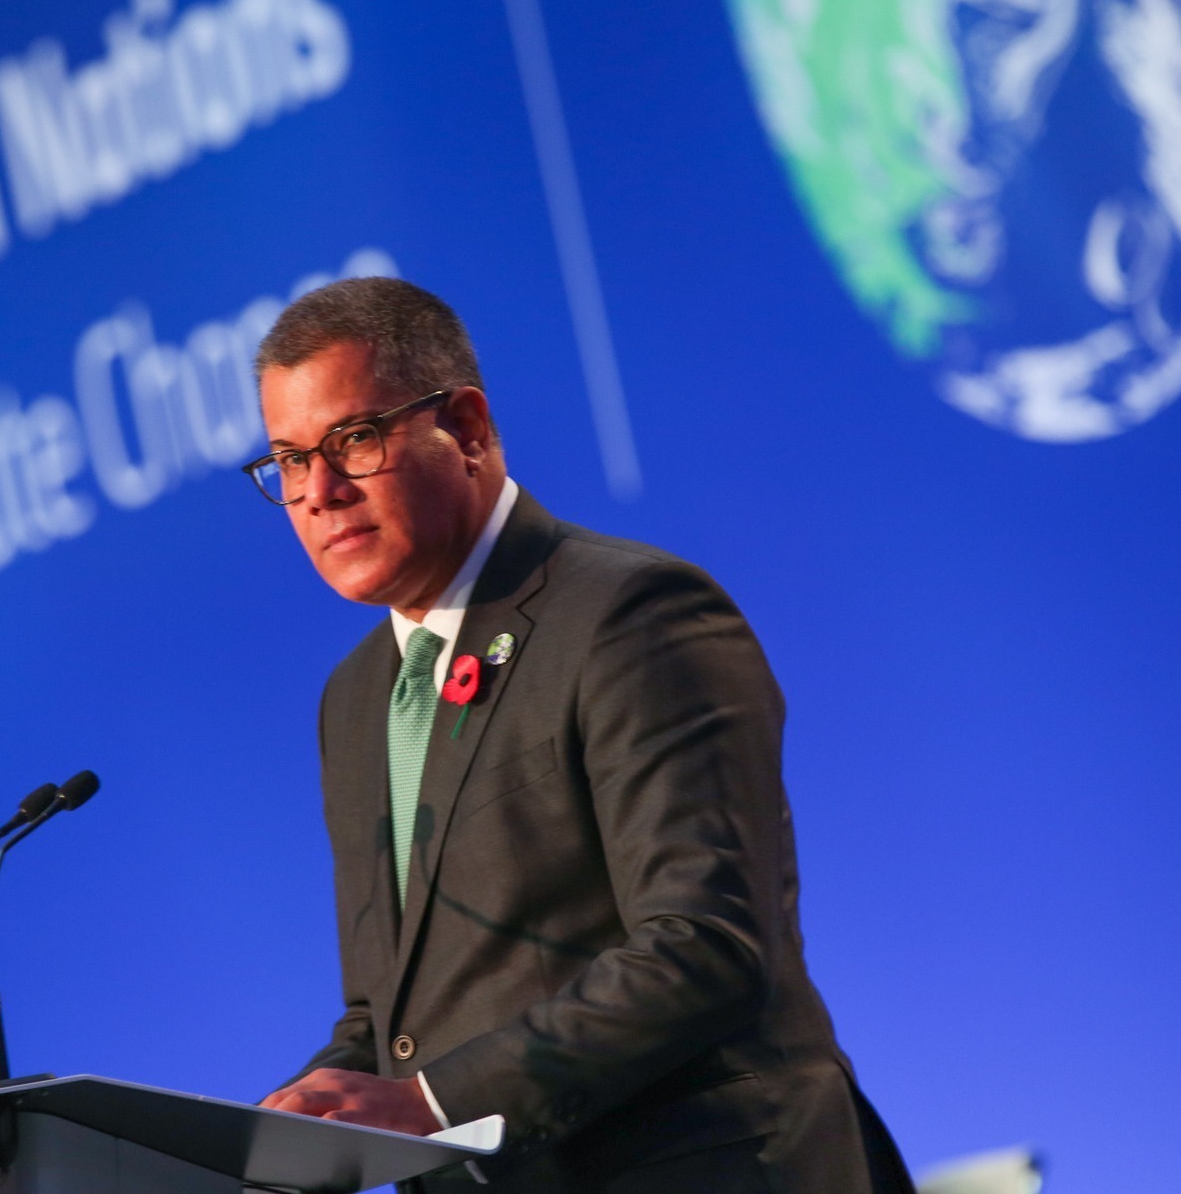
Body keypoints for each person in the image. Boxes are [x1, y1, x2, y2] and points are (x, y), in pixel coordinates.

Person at [247, 278, 913, 1193]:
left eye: (353, 441)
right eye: (287, 460)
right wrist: (300, 1119)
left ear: (469, 428)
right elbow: (394, 1009)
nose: (317, 492)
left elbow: (704, 946)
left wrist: (435, 1106)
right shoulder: (356, 698)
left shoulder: (630, 613)